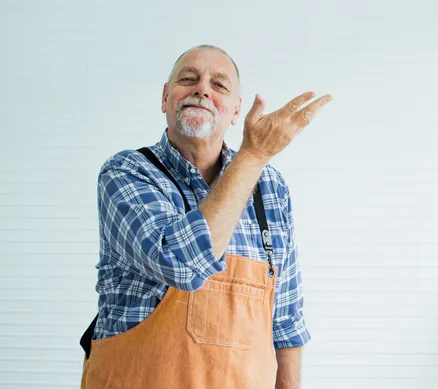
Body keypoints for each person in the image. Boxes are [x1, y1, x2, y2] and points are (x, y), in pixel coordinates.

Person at [79, 44, 332, 389]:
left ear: (236, 111)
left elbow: (285, 321)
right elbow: (181, 264)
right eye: (189, 79)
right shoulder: (127, 173)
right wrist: (253, 155)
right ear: (166, 97)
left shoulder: (269, 188)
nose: (202, 89)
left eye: (220, 85)